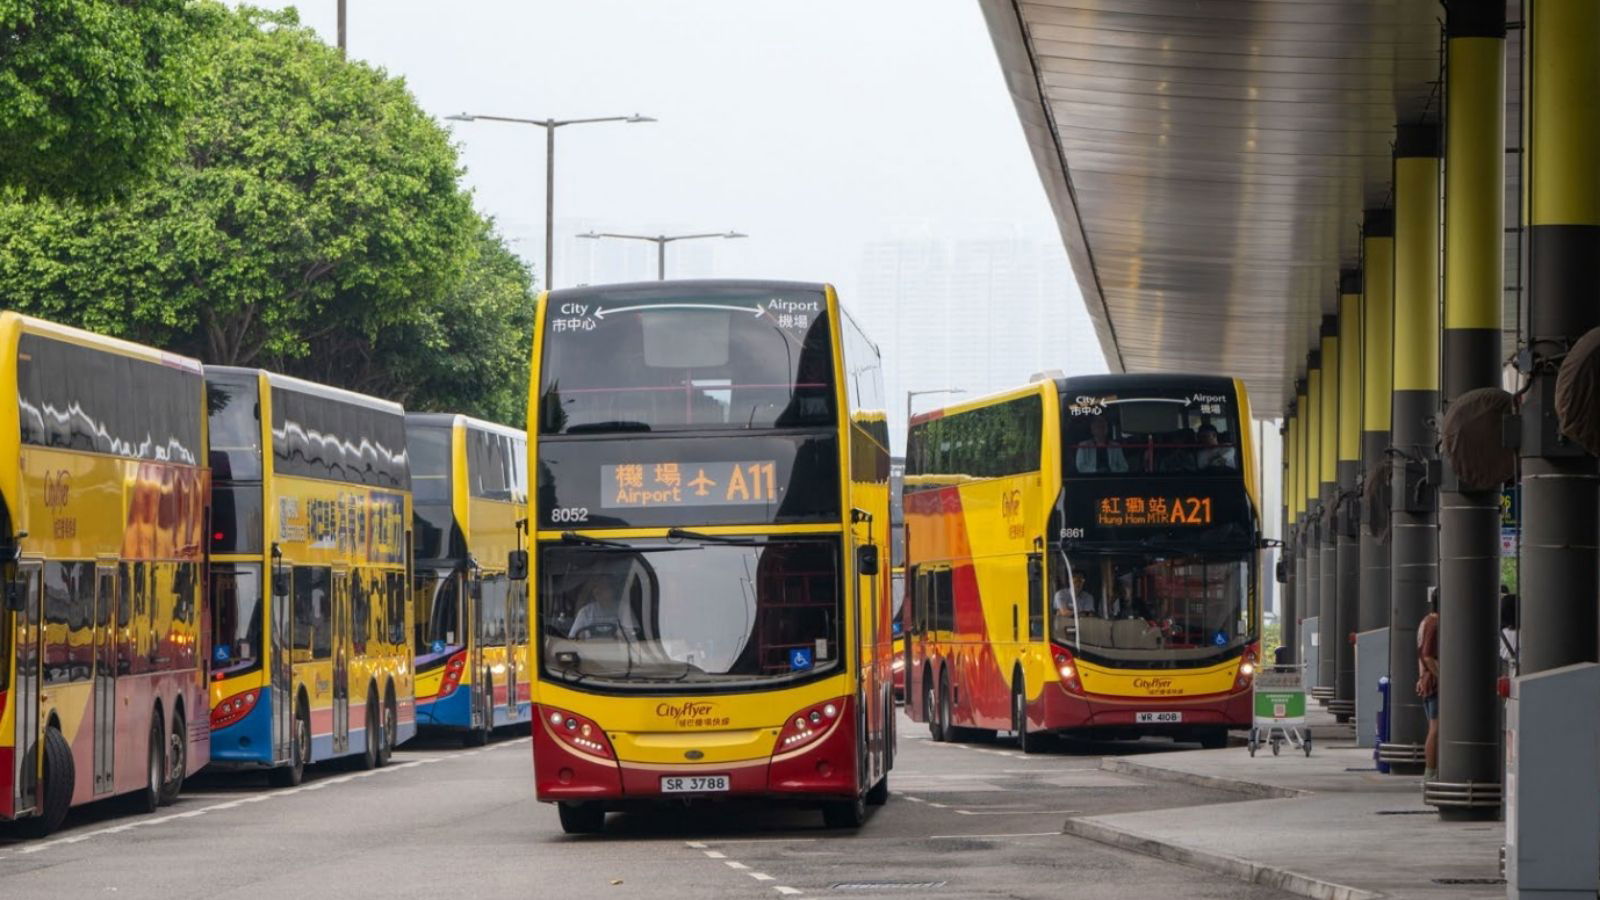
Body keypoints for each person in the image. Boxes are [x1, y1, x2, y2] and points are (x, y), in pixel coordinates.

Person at [1417, 585, 1440, 781]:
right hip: (1435, 683)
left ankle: (1432, 770)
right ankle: (1431, 772)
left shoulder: (1425, 621)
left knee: (1434, 728)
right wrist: (1443, 677)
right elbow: (1428, 656)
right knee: (1436, 729)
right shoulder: (1435, 624)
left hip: (1427, 680)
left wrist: (1421, 676)